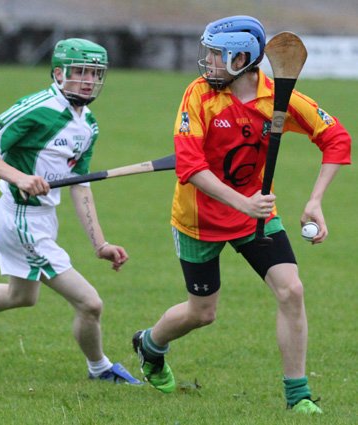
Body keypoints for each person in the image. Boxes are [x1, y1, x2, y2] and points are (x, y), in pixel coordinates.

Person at [132, 16, 351, 412]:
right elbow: (189, 166)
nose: (208, 61)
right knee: (202, 313)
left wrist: (315, 200)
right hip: (199, 219)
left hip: (258, 215)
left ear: (241, 58)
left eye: (217, 54)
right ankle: (149, 345)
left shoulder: (278, 99)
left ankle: (298, 395)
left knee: (291, 290)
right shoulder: (198, 95)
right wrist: (242, 202)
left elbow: (335, 138)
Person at [0, 38, 141, 385]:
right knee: (90, 303)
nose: (87, 80)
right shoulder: (36, 108)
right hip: (20, 218)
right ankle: (100, 369)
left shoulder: (89, 125)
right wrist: (20, 177)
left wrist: (100, 243)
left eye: (94, 73)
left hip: (42, 218)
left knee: (20, 295)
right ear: (58, 73)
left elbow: (79, 184)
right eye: (79, 71)